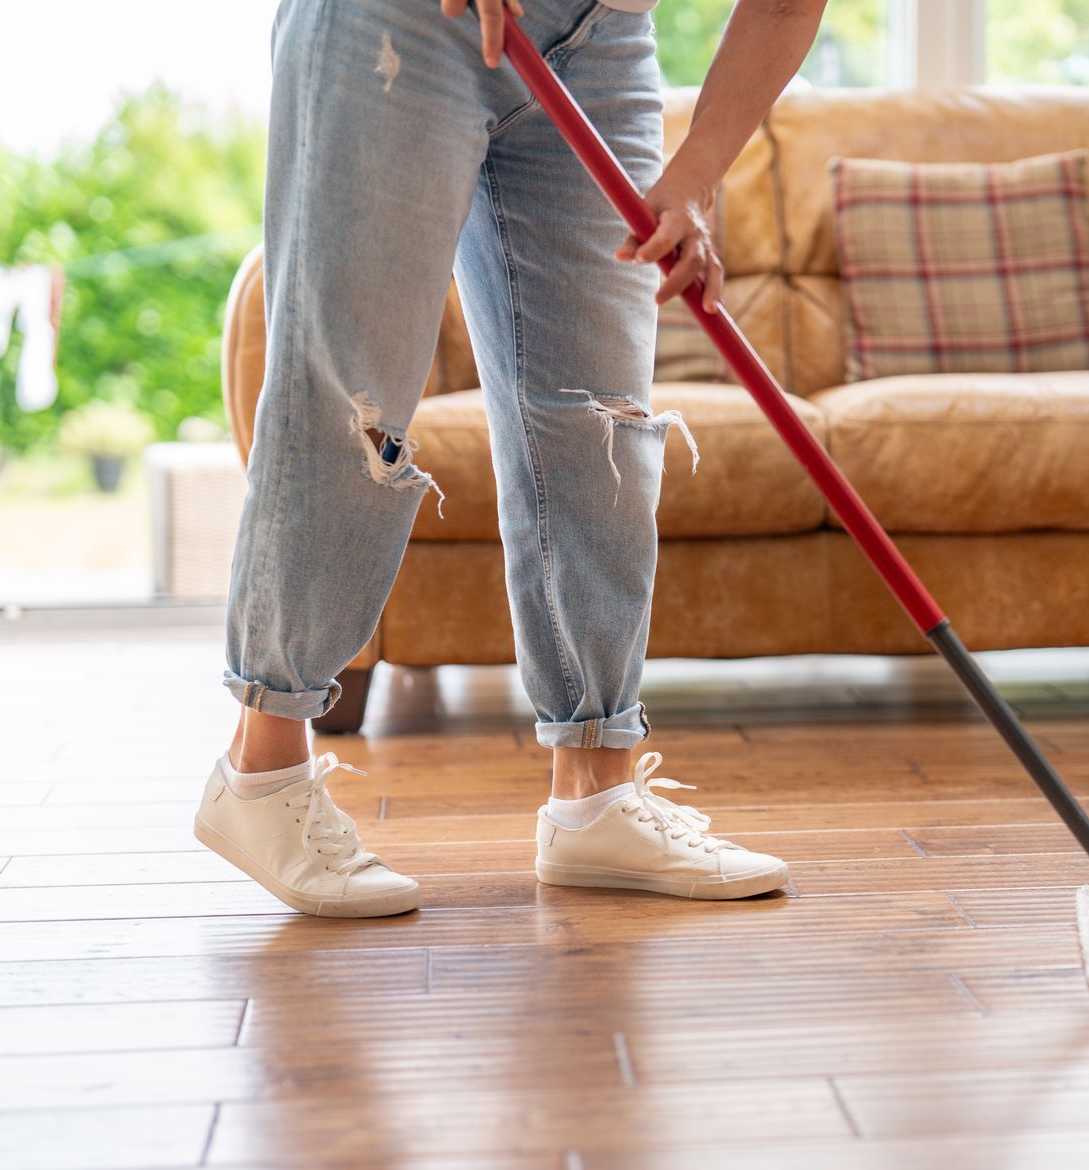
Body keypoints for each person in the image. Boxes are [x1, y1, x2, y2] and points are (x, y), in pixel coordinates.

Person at [194, 0, 829, 916]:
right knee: (352, 398)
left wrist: (695, 178)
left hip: (605, 39)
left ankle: (596, 796)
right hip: (403, 20)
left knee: (599, 421)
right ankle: (260, 773)